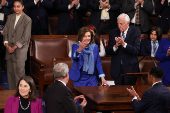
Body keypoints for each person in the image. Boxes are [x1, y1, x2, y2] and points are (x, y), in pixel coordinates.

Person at [3, 0, 31, 90]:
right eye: (14, 6)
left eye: (18, 6)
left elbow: (25, 38)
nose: (16, 8)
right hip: (9, 50)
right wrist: (7, 46)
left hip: (20, 51)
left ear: (23, 7)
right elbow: (5, 33)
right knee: (10, 75)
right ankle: (11, 96)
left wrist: (14, 47)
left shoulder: (27, 19)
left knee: (19, 75)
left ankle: (20, 96)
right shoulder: (10, 17)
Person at [106, 13, 140, 85]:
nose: (119, 26)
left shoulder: (136, 32)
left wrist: (124, 44)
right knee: (118, 93)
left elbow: (136, 50)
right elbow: (108, 50)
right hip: (117, 69)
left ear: (128, 23)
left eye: (121, 24)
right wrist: (115, 46)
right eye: (118, 23)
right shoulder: (113, 32)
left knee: (129, 93)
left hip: (130, 69)